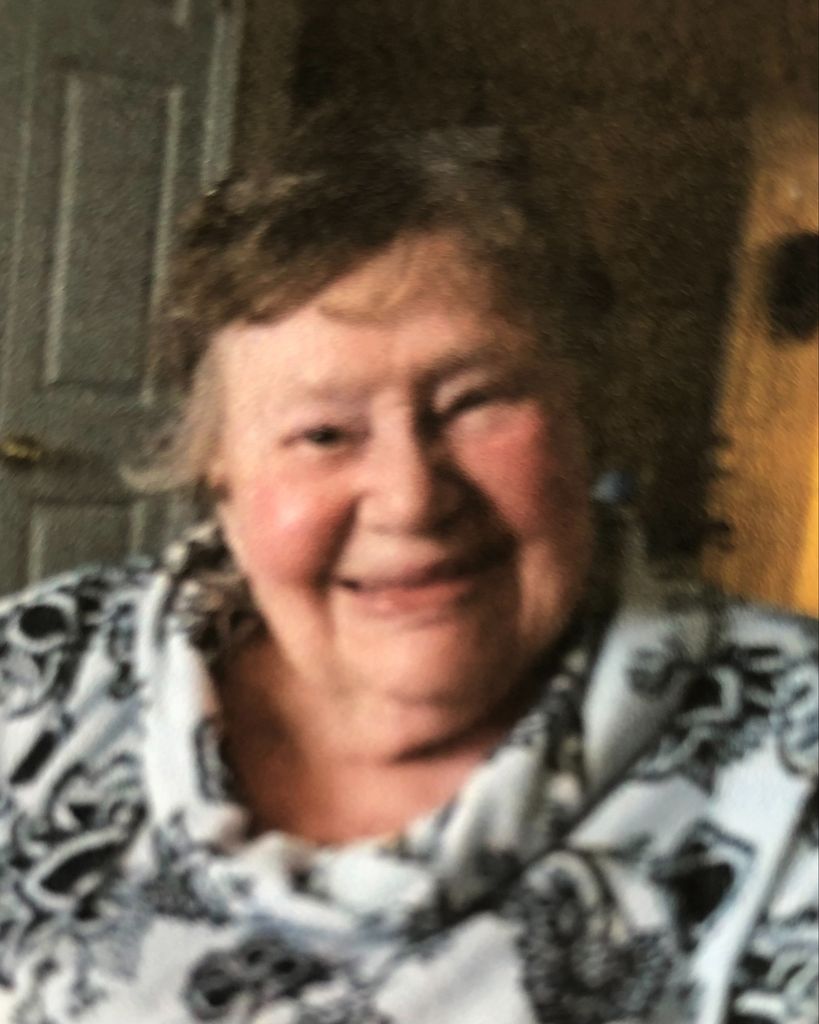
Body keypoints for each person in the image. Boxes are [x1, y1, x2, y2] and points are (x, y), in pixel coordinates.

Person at [0, 127, 816, 1024]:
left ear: (585, 412)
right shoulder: (40, 673)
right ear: (215, 473)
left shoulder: (791, 747)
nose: (411, 499)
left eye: (475, 402)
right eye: (323, 433)